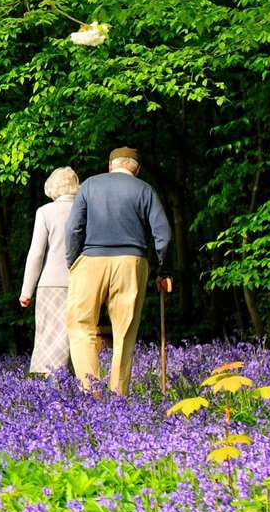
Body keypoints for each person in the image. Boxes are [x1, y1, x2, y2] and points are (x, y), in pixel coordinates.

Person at [64, 146, 173, 395]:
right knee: (124, 331)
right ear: (137, 169)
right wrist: (162, 270)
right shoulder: (145, 189)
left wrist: (72, 261)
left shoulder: (90, 185)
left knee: (81, 325)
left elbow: (73, 229)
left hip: (90, 260)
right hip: (131, 262)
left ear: (110, 165)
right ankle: (118, 395)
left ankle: (91, 391)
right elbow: (163, 236)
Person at [19, 166, 79, 377]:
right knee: (77, 336)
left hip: (51, 283)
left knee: (51, 336)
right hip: (82, 282)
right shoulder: (86, 210)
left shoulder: (45, 212)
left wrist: (27, 291)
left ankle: (52, 388)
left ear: (53, 188)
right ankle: (79, 387)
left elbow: (36, 254)